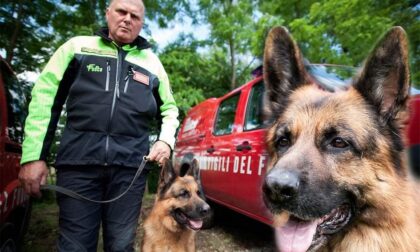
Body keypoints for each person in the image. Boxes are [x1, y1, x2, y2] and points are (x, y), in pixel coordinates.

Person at [18, 0, 179, 251]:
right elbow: (44, 99)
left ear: (141, 23)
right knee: (75, 246)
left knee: (121, 245)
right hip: (78, 165)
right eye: (121, 12)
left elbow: (169, 110)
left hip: (130, 171)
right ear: (108, 14)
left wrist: (165, 140)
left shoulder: (152, 63)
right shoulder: (76, 47)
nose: (127, 19)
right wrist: (34, 157)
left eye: (134, 16)